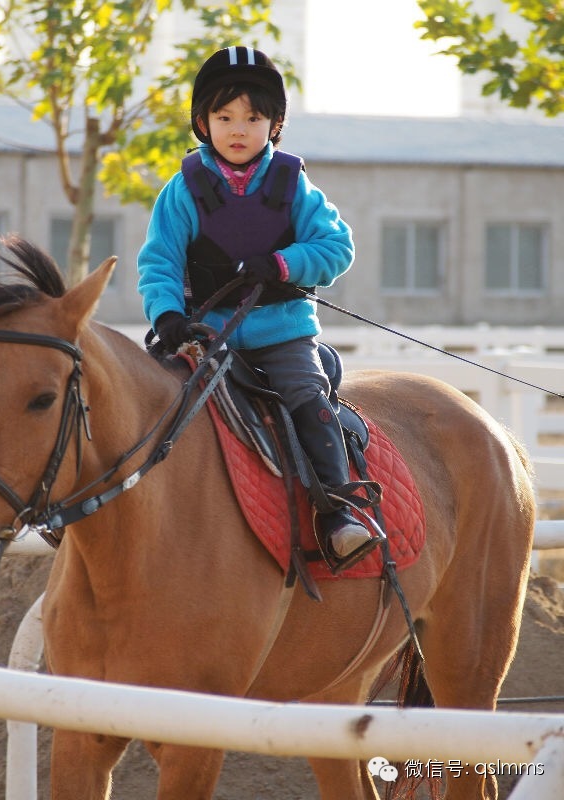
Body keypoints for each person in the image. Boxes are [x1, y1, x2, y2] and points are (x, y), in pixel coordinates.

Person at [137, 45, 379, 566]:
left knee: (308, 398)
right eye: (225, 117)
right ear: (203, 122)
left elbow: (337, 248)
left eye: (253, 117)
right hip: (206, 337)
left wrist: (283, 264)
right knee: (148, 404)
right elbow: (158, 264)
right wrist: (167, 316)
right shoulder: (181, 191)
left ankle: (341, 513)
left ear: (275, 124)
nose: (238, 129)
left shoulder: (295, 186)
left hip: (282, 334)